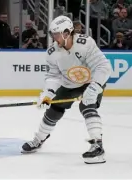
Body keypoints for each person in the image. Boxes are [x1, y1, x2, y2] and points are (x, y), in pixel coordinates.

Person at [21, 16, 112, 164]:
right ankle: (38, 139)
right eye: (53, 34)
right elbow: (54, 76)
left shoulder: (85, 43)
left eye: (57, 33)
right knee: (54, 109)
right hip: (69, 84)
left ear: (67, 32)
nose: (54, 37)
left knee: (87, 105)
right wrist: (47, 94)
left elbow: (103, 67)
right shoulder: (52, 52)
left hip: (92, 81)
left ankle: (97, 147)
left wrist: (94, 87)